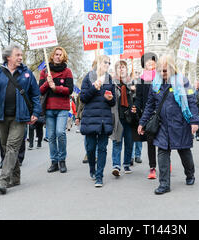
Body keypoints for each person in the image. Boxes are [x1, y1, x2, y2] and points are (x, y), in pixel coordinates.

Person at [0, 44, 41, 195]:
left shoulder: (27, 73)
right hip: (2, 116)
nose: (20, 57)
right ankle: (15, 176)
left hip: (20, 117)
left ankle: (3, 179)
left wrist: (36, 112)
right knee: (5, 147)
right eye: (17, 55)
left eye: (21, 55)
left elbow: (35, 94)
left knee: (12, 147)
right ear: (8, 57)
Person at [138, 54, 199, 195]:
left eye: (164, 70)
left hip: (181, 123)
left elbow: (191, 101)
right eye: (159, 70)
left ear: (171, 68)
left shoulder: (183, 81)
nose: (161, 73)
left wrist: (195, 121)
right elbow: (149, 105)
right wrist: (142, 122)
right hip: (162, 125)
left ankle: (190, 174)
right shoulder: (155, 84)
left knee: (184, 151)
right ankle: (164, 184)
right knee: (162, 152)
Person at [80, 55, 115, 187]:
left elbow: (113, 102)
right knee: (90, 148)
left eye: (109, 63)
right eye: (105, 62)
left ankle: (99, 176)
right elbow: (83, 98)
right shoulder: (88, 77)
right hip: (90, 118)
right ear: (98, 63)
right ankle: (92, 168)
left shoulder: (109, 78)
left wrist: (110, 98)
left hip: (104, 119)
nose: (107, 64)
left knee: (102, 148)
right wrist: (94, 87)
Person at [39, 47, 74, 174]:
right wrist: (47, 83)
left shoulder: (67, 71)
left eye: (60, 54)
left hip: (62, 108)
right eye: (56, 54)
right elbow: (40, 90)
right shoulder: (44, 72)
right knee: (51, 136)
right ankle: (54, 161)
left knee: (60, 133)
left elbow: (69, 90)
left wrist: (56, 87)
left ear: (63, 57)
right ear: (52, 56)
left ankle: (62, 160)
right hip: (49, 108)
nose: (58, 56)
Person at [133, 52, 158, 179]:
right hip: (147, 115)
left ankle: (166, 162)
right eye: (148, 61)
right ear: (144, 64)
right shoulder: (141, 80)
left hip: (161, 113)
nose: (150, 63)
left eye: (152, 61)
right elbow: (138, 98)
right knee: (150, 142)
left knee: (165, 141)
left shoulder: (161, 77)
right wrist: (136, 108)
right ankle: (152, 167)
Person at [110, 60, 136, 176]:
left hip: (130, 117)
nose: (121, 69)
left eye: (123, 67)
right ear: (116, 70)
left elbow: (137, 100)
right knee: (117, 142)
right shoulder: (113, 84)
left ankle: (126, 164)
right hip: (118, 117)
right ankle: (116, 165)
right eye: (119, 67)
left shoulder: (132, 84)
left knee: (129, 143)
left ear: (127, 69)